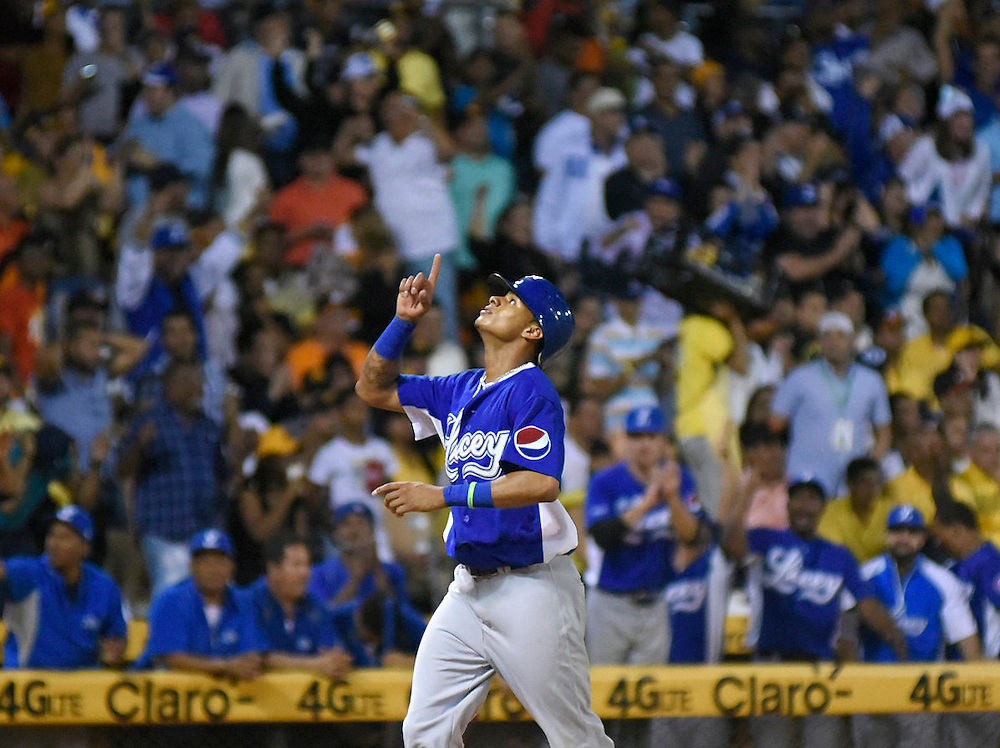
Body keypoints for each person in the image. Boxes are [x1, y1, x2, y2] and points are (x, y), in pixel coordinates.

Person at [356, 255, 612, 746]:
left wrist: (443, 496)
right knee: (424, 733)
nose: (494, 298)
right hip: (468, 590)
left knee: (575, 737)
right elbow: (371, 386)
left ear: (534, 331)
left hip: (531, 588)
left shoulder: (532, 389)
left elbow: (542, 483)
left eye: (511, 299)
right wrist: (402, 323)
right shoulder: (463, 387)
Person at [721, 476, 906, 748]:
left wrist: (897, 639)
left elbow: (868, 605)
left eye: (812, 499)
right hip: (772, 662)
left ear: (822, 507)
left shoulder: (839, 555)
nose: (804, 506)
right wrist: (747, 493)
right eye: (798, 498)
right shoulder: (767, 539)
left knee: (822, 742)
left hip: (820, 667)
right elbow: (731, 547)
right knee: (771, 742)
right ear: (788, 504)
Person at [854, 505, 980, 748]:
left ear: (923, 539)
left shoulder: (943, 581)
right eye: (897, 530)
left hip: (923, 692)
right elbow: (844, 631)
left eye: (912, 532)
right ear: (886, 535)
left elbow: (966, 638)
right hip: (873, 687)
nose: (904, 538)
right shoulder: (865, 575)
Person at [585, 405, 700, 666]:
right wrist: (646, 504)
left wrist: (672, 498)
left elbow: (692, 535)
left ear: (663, 441)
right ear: (626, 440)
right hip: (611, 602)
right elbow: (603, 537)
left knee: (650, 696)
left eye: (651, 436)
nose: (644, 444)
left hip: (655, 602)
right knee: (600, 691)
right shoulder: (606, 481)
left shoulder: (680, 479)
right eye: (636, 437)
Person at [118, 360, 226, 597]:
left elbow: (221, 475)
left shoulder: (208, 426)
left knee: (205, 600)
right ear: (168, 386)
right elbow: (124, 471)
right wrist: (139, 446)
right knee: (169, 596)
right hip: (163, 530)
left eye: (199, 382)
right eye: (188, 382)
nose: (196, 388)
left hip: (201, 528)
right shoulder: (150, 422)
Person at [772, 311, 892, 497]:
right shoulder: (800, 377)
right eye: (827, 335)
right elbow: (775, 423)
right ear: (819, 341)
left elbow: (884, 432)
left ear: (853, 340)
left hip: (851, 484)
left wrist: (868, 468)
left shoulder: (872, 381)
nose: (833, 342)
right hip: (804, 476)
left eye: (840, 335)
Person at [0, 506, 126, 668]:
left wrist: (115, 649)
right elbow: (4, 570)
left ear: (85, 548)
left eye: (64, 537)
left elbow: (116, 635)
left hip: (83, 684)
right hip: (29, 682)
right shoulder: (31, 574)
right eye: (51, 535)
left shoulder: (104, 585)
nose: (53, 543)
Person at [142, 529, 266, 678]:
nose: (213, 570)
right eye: (206, 562)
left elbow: (252, 653)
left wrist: (241, 665)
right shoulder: (170, 600)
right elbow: (173, 659)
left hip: (224, 696)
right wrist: (226, 666)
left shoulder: (245, 602)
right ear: (192, 566)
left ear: (232, 567)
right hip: (166, 695)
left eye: (220, 562)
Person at [651, 524, 732, 747]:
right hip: (661, 688)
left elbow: (727, 533)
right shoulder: (657, 562)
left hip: (705, 684)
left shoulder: (714, 562)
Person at [933, 501, 1000, 748]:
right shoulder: (952, 567)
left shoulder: (992, 563)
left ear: (957, 531)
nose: (938, 543)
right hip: (954, 677)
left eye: (941, 536)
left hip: (984, 676)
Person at [247, 531, 351, 678]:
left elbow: (332, 648)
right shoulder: (250, 603)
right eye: (296, 565)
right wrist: (315, 665)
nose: (305, 573)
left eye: (307, 565)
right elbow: (257, 657)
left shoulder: (316, 608)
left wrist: (338, 660)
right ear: (273, 569)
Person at [818, 456, 895, 562]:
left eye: (877, 483)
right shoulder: (832, 510)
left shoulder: (890, 511)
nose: (872, 489)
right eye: (866, 483)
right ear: (850, 484)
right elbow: (832, 548)